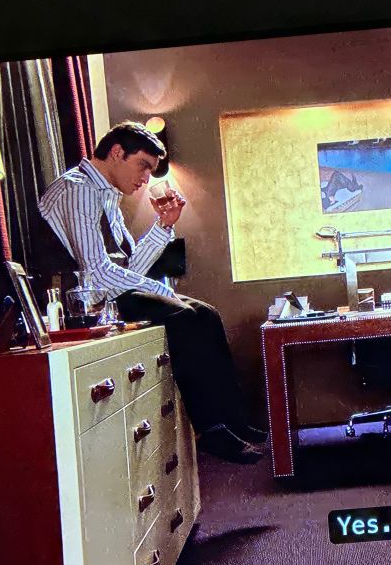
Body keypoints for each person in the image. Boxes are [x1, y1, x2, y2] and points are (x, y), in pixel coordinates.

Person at [38, 121, 267, 463]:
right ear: (117, 153)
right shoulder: (79, 190)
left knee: (207, 314)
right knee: (183, 315)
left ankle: (233, 420)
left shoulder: (105, 194)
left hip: (111, 295)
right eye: (142, 166)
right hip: (87, 304)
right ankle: (211, 428)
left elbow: (131, 267)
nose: (146, 179)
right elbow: (98, 273)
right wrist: (161, 290)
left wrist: (164, 225)